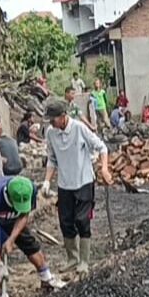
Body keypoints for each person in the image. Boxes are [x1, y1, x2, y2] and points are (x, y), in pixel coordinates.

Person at [42, 100, 111, 276]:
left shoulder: (79, 129)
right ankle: (72, 258)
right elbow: (52, 158)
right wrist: (47, 181)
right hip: (65, 184)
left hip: (84, 181)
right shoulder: (51, 133)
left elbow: (101, 147)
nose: (51, 123)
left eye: (53, 119)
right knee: (65, 222)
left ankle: (84, 261)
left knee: (82, 220)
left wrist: (104, 168)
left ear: (63, 116)